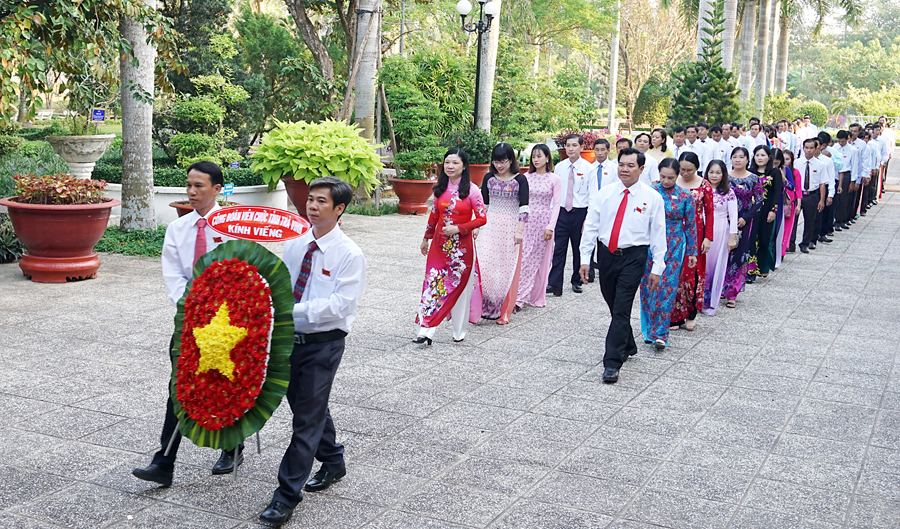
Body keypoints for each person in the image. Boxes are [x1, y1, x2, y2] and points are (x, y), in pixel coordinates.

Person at [258, 177, 366, 526]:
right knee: (308, 407)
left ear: (339, 209)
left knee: (305, 420)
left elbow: (340, 305)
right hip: (290, 339)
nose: (313, 206)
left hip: (324, 344)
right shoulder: (296, 242)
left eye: (322, 201)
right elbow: (283, 284)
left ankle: (285, 497)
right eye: (311, 199)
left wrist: (292, 310)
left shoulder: (349, 254)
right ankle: (333, 460)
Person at [133, 161, 243, 489]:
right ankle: (164, 462)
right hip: (190, 319)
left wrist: (221, 310)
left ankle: (232, 447)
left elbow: (242, 272)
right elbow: (173, 274)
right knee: (179, 387)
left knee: (224, 384)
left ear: (217, 189)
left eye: (199, 186)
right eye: (189, 185)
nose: (192, 192)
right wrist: (191, 306)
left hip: (227, 322)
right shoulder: (178, 229)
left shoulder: (233, 227)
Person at [578, 148, 666, 384]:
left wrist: (657, 268)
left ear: (641, 169)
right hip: (606, 255)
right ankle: (628, 343)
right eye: (621, 165)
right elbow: (591, 227)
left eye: (630, 165)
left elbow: (658, 234)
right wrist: (585, 259)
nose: (625, 170)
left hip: (634, 257)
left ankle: (612, 363)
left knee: (621, 308)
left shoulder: (652, 197)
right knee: (613, 304)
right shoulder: (604, 194)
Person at [414, 149, 486, 343]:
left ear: (464, 166)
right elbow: (434, 215)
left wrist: (459, 228)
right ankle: (425, 330)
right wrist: (426, 238)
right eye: (447, 162)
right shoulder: (440, 188)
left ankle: (459, 331)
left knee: (458, 288)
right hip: (439, 245)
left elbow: (482, 218)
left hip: (461, 249)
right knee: (433, 283)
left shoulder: (472, 190)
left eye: (455, 163)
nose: (450, 166)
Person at [638, 158, 696, 349]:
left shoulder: (685, 196)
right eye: (663, 176)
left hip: (674, 245)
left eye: (670, 178)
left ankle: (662, 334)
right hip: (650, 245)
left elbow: (691, 225)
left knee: (667, 288)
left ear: (677, 176)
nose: (666, 181)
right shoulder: (650, 192)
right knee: (648, 288)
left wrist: (692, 251)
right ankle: (649, 330)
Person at [478, 143, 529, 324]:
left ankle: (504, 310)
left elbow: (524, 208)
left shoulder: (520, 180)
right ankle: (484, 306)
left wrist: (520, 231)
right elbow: (484, 205)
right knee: (486, 265)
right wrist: (476, 226)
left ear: (511, 160)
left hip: (511, 228)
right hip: (491, 227)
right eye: (496, 162)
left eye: (503, 161)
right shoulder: (489, 178)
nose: (499, 165)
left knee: (508, 268)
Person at [670, 152, 713, 330]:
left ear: (696, 168)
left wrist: (708, 238)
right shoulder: (672, 182)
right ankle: (675, 315)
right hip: (675, 233)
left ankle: (691, 313)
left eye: (690, 170)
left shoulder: (704, 185)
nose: (685, 173)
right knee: (675, 272)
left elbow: (709, 212)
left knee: (693, 273)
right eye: (682, 170)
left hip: (696, 233)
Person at [548, 134, 594, 296]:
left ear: (581, 147)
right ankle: (554, 283)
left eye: (574, 145)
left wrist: (588, 219)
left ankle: (577, 281)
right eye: (568, 145)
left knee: (578, 248)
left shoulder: (589, 168)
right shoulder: (560, 167)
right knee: (558, 249)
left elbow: (593, 196)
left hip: (579, 213)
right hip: (562, 213)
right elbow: (554, 192)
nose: (571, 149)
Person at [517, 144, 561, 309]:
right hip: (526, 222)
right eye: (533, 157)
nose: (536, 160)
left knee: (541, 261)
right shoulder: (526, 177)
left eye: (539, 156)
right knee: (523, 258)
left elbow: (556, 204)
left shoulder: (554, 179)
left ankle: (533, 296)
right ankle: (518, 296)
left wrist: (551, 226)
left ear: (547, 158)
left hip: (544, 222)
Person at [721, 147, 763, 307]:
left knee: (738, 255)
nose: (737, 160)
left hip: (743, 222)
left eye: (741, 157)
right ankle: (721, 286)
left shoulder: (753, 178)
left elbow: (758, 201)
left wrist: (745, 218)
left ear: (747, 160)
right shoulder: (724, 176)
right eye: (735, 157)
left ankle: (732, 292)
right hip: (724, 220)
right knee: (723, 253)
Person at [701, 160, 738, 316]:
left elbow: (734, 216)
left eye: (718, 172)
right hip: (702, 230)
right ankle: (698, 299)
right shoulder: (701, 190)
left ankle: (710, 302)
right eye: (711, 172)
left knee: (716, 266)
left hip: (721, 230)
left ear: (723, 174)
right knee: (702, 265)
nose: (714, 175)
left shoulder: (728, 192)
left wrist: (732, 237)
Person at [747, 145, 782, 278]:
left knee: (764, 239)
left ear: (769, 157)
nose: (760, 158)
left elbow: (777, 193)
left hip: (767, 210)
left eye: (763, 155)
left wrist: (773, 210)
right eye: (757, 155)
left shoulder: (775, 172)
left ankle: (762, 266)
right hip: (752, 211)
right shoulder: (750, 172)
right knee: (751, 238)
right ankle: (750, 271)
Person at [794, 138, 827, 254]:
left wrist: (821, 200)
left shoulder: (820, 165)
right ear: (803, 148)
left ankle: (805, 243)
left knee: (810, 221)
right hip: (798, 194)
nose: (809, 150)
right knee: (793, 220)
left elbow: (822, 184)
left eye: (811, 148)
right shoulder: (796, 163)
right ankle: (790, 243)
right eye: (806, 148)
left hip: (812, 195)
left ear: (816, 148)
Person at [780, 149, 803, 256]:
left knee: (788, 227)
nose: (785, 161)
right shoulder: (775, 171)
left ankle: (784, 248)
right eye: (783, 159)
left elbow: (798, 188)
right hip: (778, 202)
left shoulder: (795, 172)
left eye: (787, 159)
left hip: (789, 203)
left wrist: (799, 204)